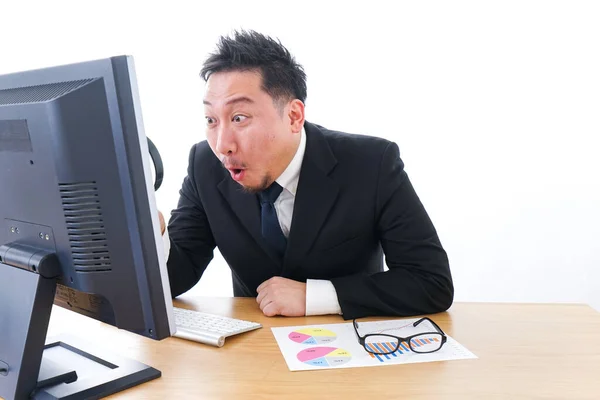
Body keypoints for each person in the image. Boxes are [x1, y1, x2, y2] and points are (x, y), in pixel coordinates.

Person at [159, 30, 453, 320]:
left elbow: (430, 282)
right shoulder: (204, 165)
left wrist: (315, 297)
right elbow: (176, 276)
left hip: (352, 347)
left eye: (239, 118)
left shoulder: (372, 163)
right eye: (211, 120)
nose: (223, 145)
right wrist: (152, 234)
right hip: (254, 351)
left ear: (293, 117)